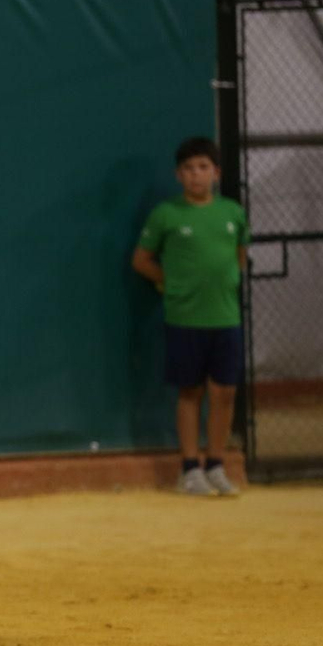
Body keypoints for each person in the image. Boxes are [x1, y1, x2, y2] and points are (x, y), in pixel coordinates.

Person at [132, 137, 249, 497]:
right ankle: (189, 469)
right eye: (188, 169)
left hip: (226, 318)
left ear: (216, 173)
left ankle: (215, 465)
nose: (195, 175)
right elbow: (141, 261)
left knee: (225, 391)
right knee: (190, 392)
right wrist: (173, 284)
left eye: (202, 168)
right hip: (184, 319)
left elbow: (240, 255)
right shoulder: (166, 214)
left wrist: (228, 281)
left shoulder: (232, 213)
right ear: (178, 175)